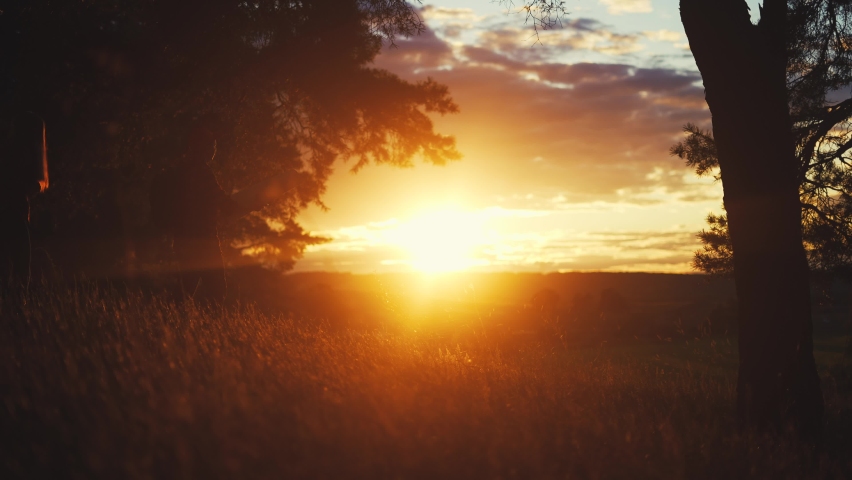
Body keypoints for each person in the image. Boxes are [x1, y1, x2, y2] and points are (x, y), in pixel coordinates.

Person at [150, 121, 237, 303]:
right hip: (204, 240)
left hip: (182, 239)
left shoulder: (181, 170)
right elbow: (224, 203)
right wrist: (253, 202)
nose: (213, 149)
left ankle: (172, 324)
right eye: (211, 145)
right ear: (204, 147)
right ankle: (208, 328)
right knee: (217, 290)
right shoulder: (202, 173)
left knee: (186, 288)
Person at [0, 109, 49, 292]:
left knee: (11, 266)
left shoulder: (12, 150)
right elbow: (28, 186)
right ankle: (18, 307)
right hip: (14, 212)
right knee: (20, 267)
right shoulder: (25, 154)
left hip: (10, 211)